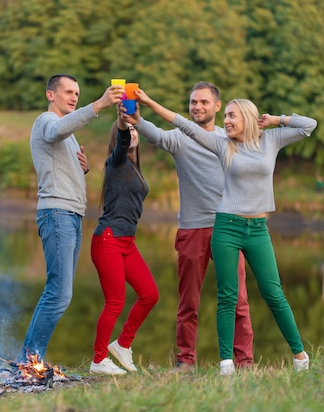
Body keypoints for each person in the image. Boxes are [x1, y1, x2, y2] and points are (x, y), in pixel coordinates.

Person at [133, 90, 316, 375]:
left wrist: (276, 119)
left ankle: (300, 357)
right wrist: (147, 104)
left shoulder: (270, 140)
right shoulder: (221, 144)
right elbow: (183, 125)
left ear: (247, 117)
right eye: (226, 116)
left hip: (257, 228)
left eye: (231, 115)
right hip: (226, 226)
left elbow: (308, 126)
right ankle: (225, 363)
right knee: (227, 296)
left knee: (273, 293)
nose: (227, 121)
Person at [123, 82, 253, 373]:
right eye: (194, 102)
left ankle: (244, 361)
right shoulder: (180, 138)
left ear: (217, 107)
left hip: (228, 229)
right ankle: (185, 362)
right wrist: (138, 120)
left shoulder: (229, 139)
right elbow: (154, 134)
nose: (198, 107)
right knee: (188, 302)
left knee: (238, 301)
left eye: (204, 102)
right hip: (192, 229)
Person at [21, 74, 123, 362]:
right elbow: (56, 131)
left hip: (71, 215)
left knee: (60, 292)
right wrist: (99, 104)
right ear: (50, 95)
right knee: (59, 293)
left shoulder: (67, 131)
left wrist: (84, 169)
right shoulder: (46, 121)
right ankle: (31, 360)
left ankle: (31, 359)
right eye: (68, 92)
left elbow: (60, 157)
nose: (74, 96)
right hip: (57, 213)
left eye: (77, 93)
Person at [89, 105, 159, 375]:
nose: (131, 134)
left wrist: (128, 123)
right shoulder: (115, 162)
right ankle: (98, 360)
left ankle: (122, 344)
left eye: (134, 129)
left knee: (150, 294)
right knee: (115, 301)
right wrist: (122, 120)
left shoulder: (134, 166)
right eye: (126, 131)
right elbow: (120, 143)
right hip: (108, 239)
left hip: (127, 241)